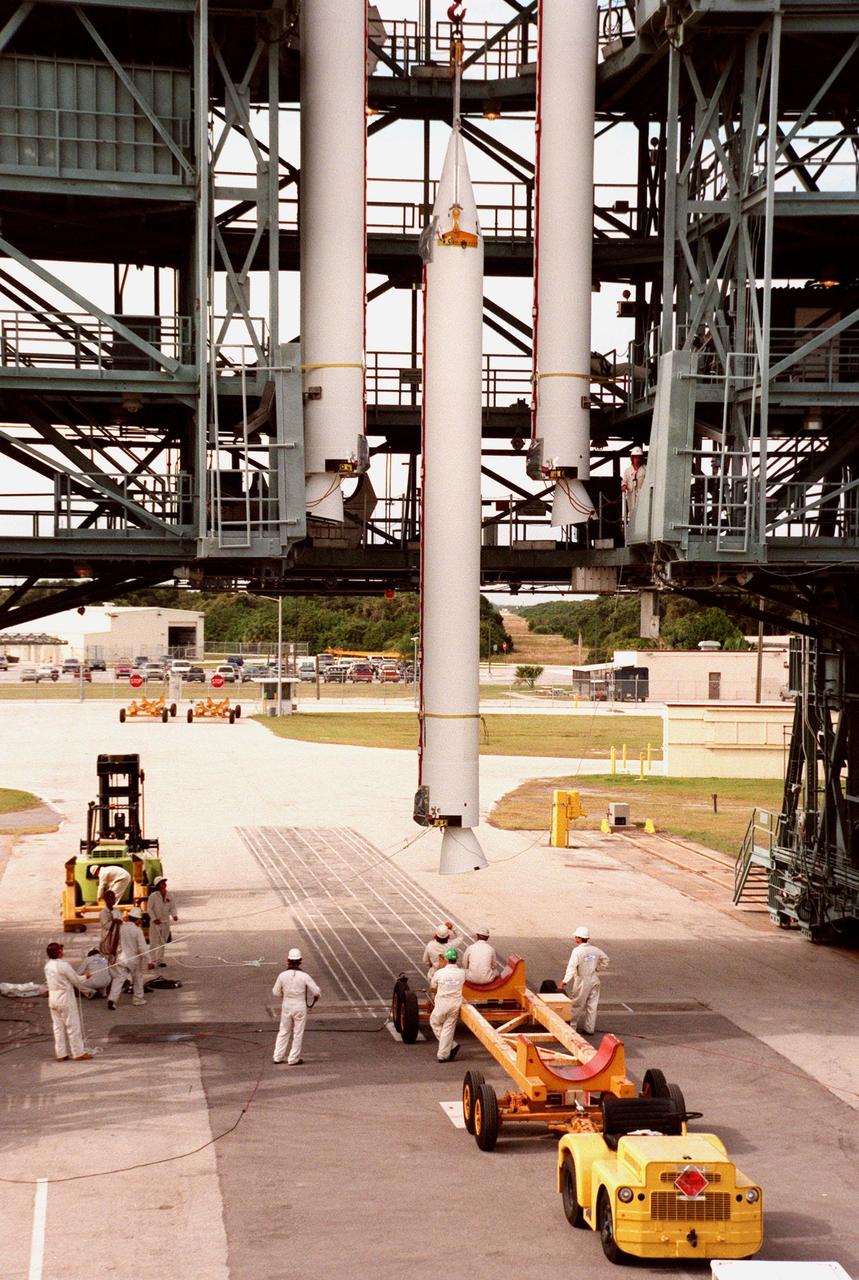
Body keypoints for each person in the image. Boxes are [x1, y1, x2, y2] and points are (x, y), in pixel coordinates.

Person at [44, 942, 93, 1061]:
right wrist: (86, 977)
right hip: (65, 998)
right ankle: (78, 1053)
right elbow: (76, 980)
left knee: (58, 1027)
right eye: (61, 949)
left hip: (53, 998)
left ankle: (61, 1054)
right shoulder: (63, 965)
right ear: (59, 952)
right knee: (72, 1025)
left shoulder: (47, 966)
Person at [272, 948, 321, 1066]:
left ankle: (278, 1056)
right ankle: (293, 1058)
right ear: (300, 960)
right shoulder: (304, 976)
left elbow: (275, 992)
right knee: (298, 1032)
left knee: (284, 1030)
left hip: (287, 1004)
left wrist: (285, 996)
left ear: (288, 960)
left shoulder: (282, 975)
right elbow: (316, 992)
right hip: (299, 1005)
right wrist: (315, 999)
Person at [559, 926, 609, 1034]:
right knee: (592, 1005)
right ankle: (589, 1029)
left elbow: (571, 967)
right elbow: (606, 959)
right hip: (594, 979)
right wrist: (597, 969)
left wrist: (565, 981)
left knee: (577, 1004)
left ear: (579, 938)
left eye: (576, 936)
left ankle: (572, 1028)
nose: (575, 938)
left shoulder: (577, 951)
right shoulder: (595, 950)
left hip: (582, 980)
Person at [429, 947, 466, 1063]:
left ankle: (451, 1047)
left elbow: (433, 987)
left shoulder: (439, 973)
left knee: (434, 1022)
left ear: (446, 959)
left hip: (442, 1003)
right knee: (448, 1028)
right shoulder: (462, 973)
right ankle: (443, 1054)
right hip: (455, 1003)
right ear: (456, 959)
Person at [108, 907, 148, 1009]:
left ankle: (112, 999)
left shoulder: (122, 927)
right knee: (138, 978)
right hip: (134, 959)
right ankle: (138, 999)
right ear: (138, 919)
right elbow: (142, 947)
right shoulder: (137, 930)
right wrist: (149, 960)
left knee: (119, 979)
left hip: (122, 958)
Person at [145, 875, 178, 969]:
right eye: (162, 883)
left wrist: (174, 915)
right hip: (155, 923)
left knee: (162, 941)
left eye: (165, 882)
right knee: (153, 941)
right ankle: (152, 960)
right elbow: (149, 909)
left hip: (165, 922)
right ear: (158, 885)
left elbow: (172, 907)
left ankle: (160, 960)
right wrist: (154, 918)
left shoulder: (170, 895)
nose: (164, 884)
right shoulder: (153, 896)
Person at [621, 446, 647, 521]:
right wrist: (624, 486)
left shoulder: (646, 469)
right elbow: (624, 481)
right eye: (635, 457)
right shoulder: (627, 471)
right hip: (631, 495)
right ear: (632, 458)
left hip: (642, 495)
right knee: (632, 512)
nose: (637, 459)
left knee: (642, 513)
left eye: (639, 457)